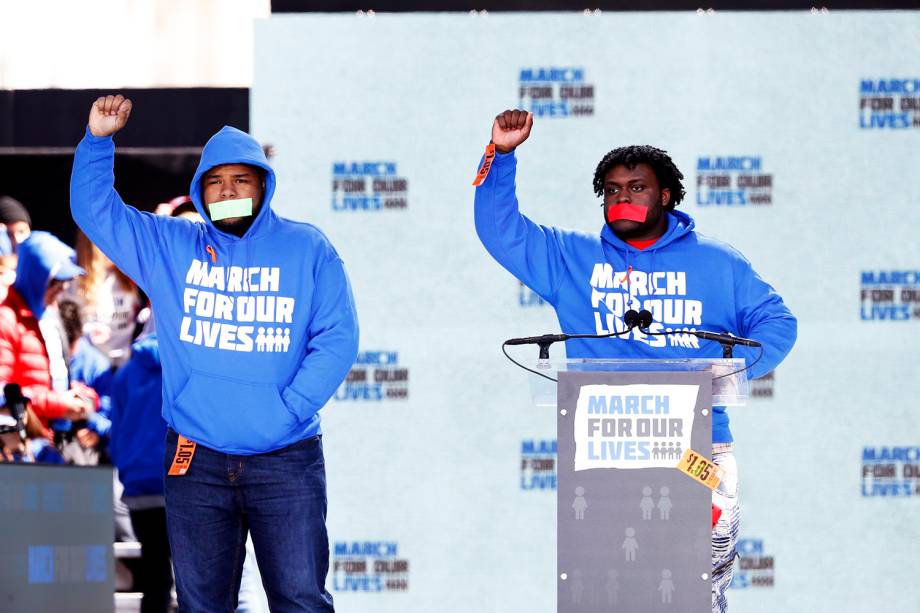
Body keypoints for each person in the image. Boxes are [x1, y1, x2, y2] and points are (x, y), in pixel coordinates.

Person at [474, 110, 797, 613]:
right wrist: (502, 154)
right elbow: (501, 232)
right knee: (608, 594)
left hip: (697, 450)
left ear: (666, 195)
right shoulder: (571, 258)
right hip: (607, 448)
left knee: (696, 592)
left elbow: (777, 323)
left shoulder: (717, 262)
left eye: (637, 187)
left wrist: (732, 371)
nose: (622, 197)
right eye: (612, 190)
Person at [71, 94, 359, 612]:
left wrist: (287, 409)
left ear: (262, 187)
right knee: (203, 604)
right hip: (196, 459)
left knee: (300, 600)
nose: (227, 191)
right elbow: (96, 211)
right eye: (215, 181)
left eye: (240, 181)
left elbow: (336, 337)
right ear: (201, 190)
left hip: (285, 458)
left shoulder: (306, 248)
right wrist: (97, 141)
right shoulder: (170, 246)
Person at [0, 232, 96, 434]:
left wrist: (80, 397)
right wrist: (58, 404)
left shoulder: (51, 316)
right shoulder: (5, 320)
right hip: (25, 445)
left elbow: (57, 377)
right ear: (36, 276)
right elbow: (3, 392)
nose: (62, 289)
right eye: (55, 281)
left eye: (65, 281)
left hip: (55, 437)